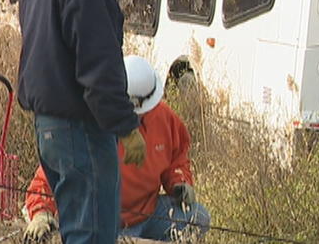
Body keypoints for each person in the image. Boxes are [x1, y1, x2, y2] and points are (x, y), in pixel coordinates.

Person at [17, 0, 153, 244]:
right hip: (81, 130)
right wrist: (126, 126)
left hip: (48, 127)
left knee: (79, 231)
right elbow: (99, 69)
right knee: (91, 236)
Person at [23, 56, 210, 243]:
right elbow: (52, 170)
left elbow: (177, 158)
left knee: (198, 217)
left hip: (150, 214)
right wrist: (41, 211)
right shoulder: (89, 121)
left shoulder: (165, 119)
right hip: (104, 224)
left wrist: (180, 182)